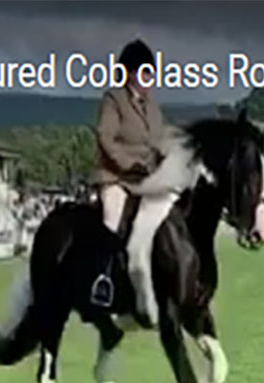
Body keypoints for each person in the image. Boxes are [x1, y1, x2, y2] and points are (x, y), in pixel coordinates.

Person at [94, 38, 167, 326]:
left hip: (146, 180)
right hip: (116, 177)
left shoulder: (154, 109)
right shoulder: (114, 100)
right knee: (112, 218)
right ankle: (103, 281)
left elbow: (160, 141)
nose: (149, 78)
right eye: (145, 72)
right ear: (130, 73)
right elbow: (104, 137)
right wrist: (128, 164)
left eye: (152, 72)